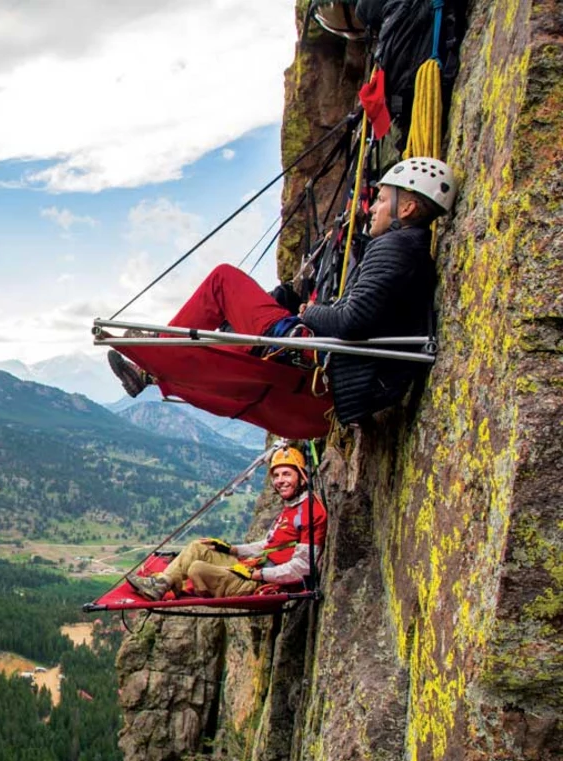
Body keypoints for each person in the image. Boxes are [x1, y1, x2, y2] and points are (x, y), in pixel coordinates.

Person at [108, 157, 458, 426]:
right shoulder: (407, 249)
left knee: (223, 281)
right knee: (228, 338)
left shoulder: (395, 247)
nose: (373, 208)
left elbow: (355, 319)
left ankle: (159, 360)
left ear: (408, 208)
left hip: (318, 357)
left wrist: (309, 313)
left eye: (382, 200)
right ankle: (151, 370)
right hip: (343, 371)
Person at [126, 446, 327, 599]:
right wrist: (232, 550)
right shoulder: (291, 508)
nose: (280, 480)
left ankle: (172, 585)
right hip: (254, 567)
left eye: (287, 474)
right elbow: (267, 545)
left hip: (263, 581)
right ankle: (161, 584)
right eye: (276, 475)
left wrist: (258, 574)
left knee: (197, 568)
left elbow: (303, 567)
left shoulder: (310, 512)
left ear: (301, 478)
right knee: (198, 547)